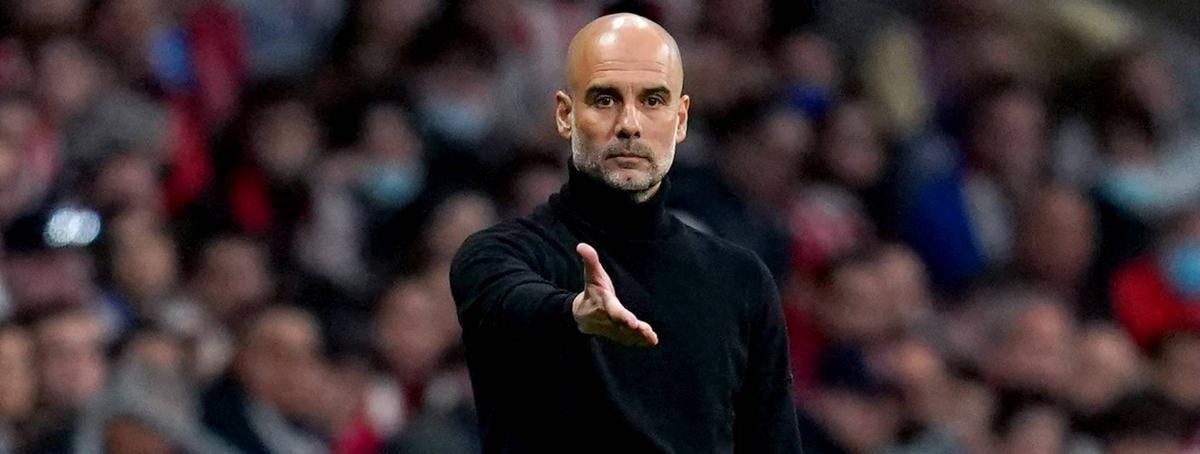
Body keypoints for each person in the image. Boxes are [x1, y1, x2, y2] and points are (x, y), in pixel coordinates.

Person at [449, 13, 802, 453]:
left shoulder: (740, 280)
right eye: (605, 99)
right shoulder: (498, 255)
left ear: (681, 119)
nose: (629, 124)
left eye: (653, 100)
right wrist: (574, 314)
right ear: (565, 115)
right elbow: (513, 303)